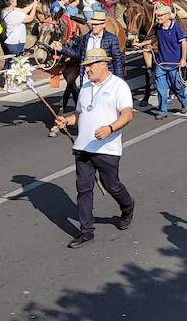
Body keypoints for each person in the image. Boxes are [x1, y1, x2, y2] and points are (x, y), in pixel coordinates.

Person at [55, 49, 136, 249]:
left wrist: (110, 128)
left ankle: (127, 206)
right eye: (86, 67)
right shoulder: (85, 88)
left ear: (103, 65)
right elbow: (80, 115)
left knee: (111, 185)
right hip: (83, 147)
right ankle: (86, 231)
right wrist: (66, 120)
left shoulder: (119, 86)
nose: (87, 70)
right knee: (83, 189)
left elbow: (127, 115)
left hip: (107, 148)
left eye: (90, 66)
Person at [144, 4, 187, 119]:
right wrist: (142, 44)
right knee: (161, 89)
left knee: (177, 86)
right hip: (161, 64)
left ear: (168, 16)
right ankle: (163, 111)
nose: (158, 18)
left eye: (160, 16)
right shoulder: (158, 28)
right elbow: (154, 38)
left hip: (174, 64)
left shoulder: (175, 28)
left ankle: (184, 101)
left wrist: (183, 59)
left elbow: (183, 42)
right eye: (157, 16)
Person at [58, 10, 125, 82]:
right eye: (93, 24)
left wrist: (119, 81)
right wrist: (62, 48)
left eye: (97, 24)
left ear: (103, 25)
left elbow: (117, 60)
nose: (94, 26)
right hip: (88, 79)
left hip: (105, 79)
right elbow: (77, 54)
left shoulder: (111, 39)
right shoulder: (85, 38)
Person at [0, 0, 40, 70]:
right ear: (11, 1)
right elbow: (30, 18)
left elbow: (23, 10)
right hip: (15, 43)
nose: (16, 0)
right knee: (15, 64)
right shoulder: (13, 14)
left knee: (10, 61)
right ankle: (11, 80)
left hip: (10, 41)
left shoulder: (6, 11)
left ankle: (7, 77)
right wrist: (35, 6)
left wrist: (34, 2)